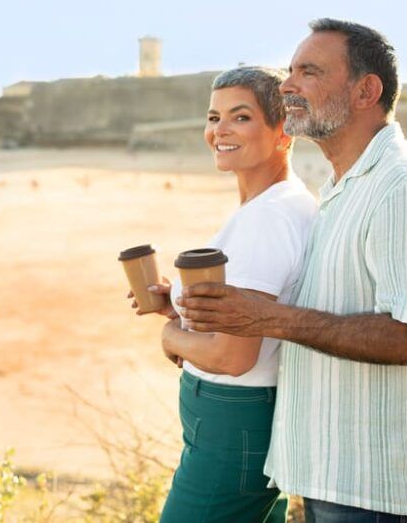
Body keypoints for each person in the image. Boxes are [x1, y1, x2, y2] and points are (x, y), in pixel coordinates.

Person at [178, 19, 407, 523]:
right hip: (328, 471)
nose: (288, 85)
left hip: (366, 483)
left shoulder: (404, 186)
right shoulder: (342, 187)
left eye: (309, 71)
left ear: (365, 91)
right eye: (290, 71)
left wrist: (267, 319)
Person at [130, 65, 318, 523]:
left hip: (232, 428)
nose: (221, 131)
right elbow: (247, 313)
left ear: (283, 132)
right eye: (214, 118)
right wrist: (176, 304)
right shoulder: (281, 205)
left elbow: (234, 356)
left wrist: (171, 338)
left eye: (241, 117)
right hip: (242, 425)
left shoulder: (266, 220)